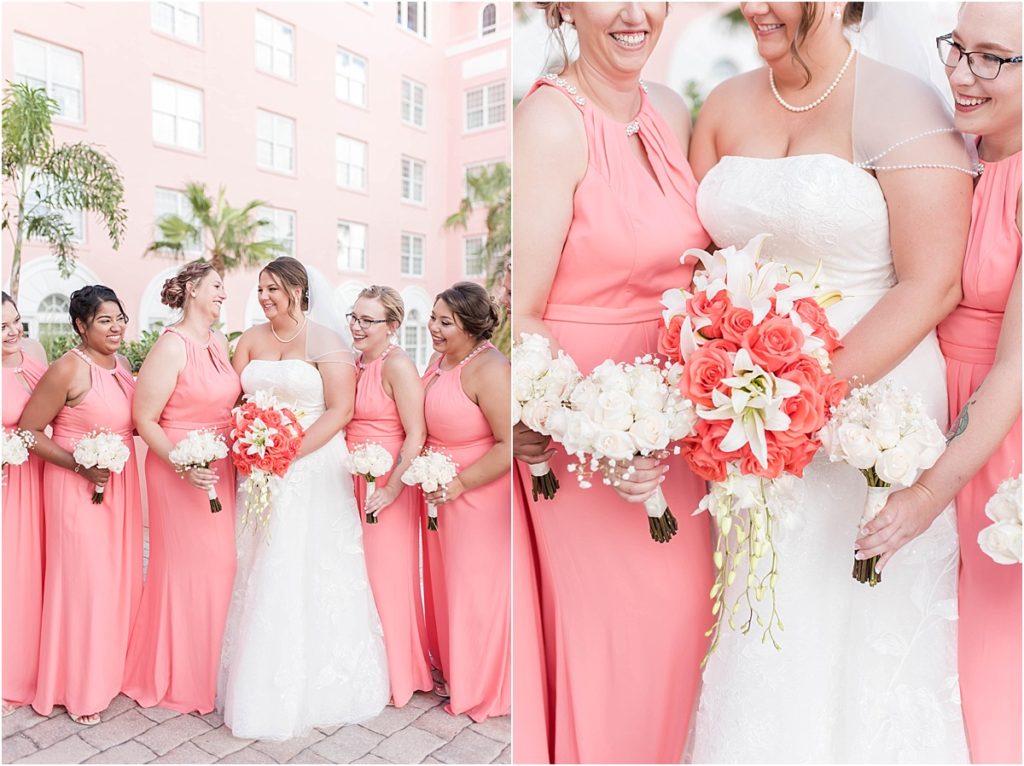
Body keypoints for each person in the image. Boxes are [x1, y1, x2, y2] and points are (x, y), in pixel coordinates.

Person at [687, 2, 974, 761]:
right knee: (766, 618)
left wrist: (803, 402)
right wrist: (726, 383)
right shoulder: (720, 107)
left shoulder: (904, 102)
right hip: (745, 418)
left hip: (869, 408)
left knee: (853, 626)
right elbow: (694, 266)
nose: (757, 7)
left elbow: (931, 282)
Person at [512, 3, 714, 761]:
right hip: (586, 444)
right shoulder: (550, 123)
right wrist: (603, 424)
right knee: (621, 647)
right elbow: (525, 314)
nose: (635, 14)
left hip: (678, 428)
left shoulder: (671, 108)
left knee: (685, 631)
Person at [855, 4, 1022, 761]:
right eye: (957, 49)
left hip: (995, 437)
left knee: (988, 672)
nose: (959, 73)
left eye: (992, 59)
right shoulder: (958, 154)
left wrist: (929, 492)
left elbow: (1015, 368)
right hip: (917, 410)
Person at [217, 256, 388, 740]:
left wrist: (287, 453)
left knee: (306, 563)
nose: (264, 296)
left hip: (311, 465)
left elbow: (340, 410)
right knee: (261, 563)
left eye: (273, 288)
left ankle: (316, 684)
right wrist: (253, 444)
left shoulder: (328, 341)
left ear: (297, 289)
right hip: (258, 467)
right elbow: (234, 402)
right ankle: (258, 676)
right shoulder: (249, 338)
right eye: (261, 288)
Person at [122, 261, 241, 714]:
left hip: (219, 467)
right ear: (192, 290)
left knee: (223, 567)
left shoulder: (218, 343)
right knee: (194, 569)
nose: (222, 295)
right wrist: (181, 463)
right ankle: (174, 674)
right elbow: (144, 419)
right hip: (179, 468)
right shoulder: (171, 347)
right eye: (215, 287)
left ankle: (208, 670)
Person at [20, 286, 143, 725]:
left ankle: (109, 673)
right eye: (105, 320)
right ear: (81, 326)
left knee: (116, 582)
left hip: (120, 485)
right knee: (84, 586)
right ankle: (78, 688)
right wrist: (80, 467)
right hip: (77, 487)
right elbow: (29, 432)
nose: (116, 327)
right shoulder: (67, 369)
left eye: (120, 318)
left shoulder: (124, 366)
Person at [421, 281, 510, 721]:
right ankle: (457, 670)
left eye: (444, 321)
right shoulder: (441, 360)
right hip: (438, 494)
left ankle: (481, 687)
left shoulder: (489, 369)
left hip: (476, 497)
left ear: (472, 327)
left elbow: (507, 445)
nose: (433, 327)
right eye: (433, 317)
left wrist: (459, 484)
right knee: (445, 588)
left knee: (474, 591)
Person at [346, 285, 433, 707]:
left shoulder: (397, 366)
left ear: (392, 326)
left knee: (387, 577)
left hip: (387, 485)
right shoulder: (352, 363)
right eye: (354, 317)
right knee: (355, 575)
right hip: (351, 478)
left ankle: (400, 673)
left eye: (368, 320)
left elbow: (417, 432)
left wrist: (393, 487)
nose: (357, 326)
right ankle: (363, 669)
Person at [1, 292, 48, 716]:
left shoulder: (34, 353)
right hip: (7, 484)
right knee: (11, 576)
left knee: (39, 572)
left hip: (40, 476)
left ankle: (38, 665)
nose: (13, 331)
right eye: (2, 327)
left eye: (16, 321)